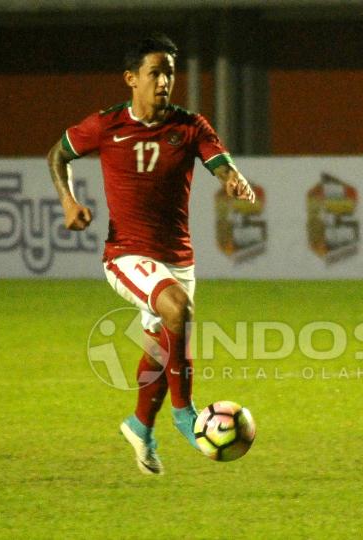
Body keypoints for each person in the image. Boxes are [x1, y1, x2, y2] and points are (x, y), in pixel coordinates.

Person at [47, 33, 256, 475]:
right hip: (125, 255)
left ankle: (140, 425)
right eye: (155, 73)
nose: (164, 82)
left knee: (163, 352)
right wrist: (68, 202)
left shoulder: (190, 125)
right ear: (131, 79)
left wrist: (233, 179)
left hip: (178, 258)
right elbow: (57, 155)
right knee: (179, 310)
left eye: (170, 73)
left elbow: (219, 160)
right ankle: (185, 413)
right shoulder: (106, 126)